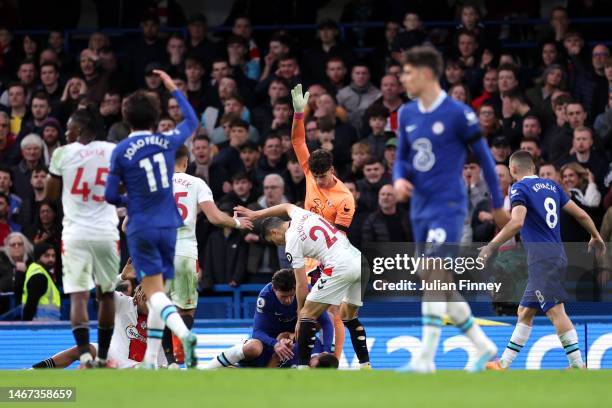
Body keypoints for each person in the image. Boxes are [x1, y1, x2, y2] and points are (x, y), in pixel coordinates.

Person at [393, 46, 507, 373]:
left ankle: (426, 359)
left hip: (450, 205)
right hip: (420, 207)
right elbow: (401, 158)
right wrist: (399, 180)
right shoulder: (407, 114)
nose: (403, 79)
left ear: (426, 74)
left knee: (436, 274)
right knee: (434, 279)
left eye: (408, 73)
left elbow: (484, 157)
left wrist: (498, 204)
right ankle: (483, 346)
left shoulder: (458, 113)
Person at [104, 70, 200, 369]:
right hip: (169, 226)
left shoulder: (120, 151)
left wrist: (129, 201)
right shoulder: (167, 141)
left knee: (154, 292)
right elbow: (193, 122)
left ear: (124, 116)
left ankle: (183, 334)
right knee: (159, 292)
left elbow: (109, 195)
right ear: (156, 115)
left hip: (142, 226)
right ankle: (152, 357)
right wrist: (173, 88)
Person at [480, 150, 605, 370]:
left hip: (542, 259)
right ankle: (504, 363)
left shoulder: (519, 188)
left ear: (513, 169)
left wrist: (491, 247)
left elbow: (517, 222)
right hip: (555, 255)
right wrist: (595, 235)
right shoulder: (553, 186)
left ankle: (577, 366)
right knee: (524, 311)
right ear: (534, 168)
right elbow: (582, 214)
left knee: (556, 311)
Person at [235, 203, 371, 369]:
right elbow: (285, 206)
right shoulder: (301, 214)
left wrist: (300, 316)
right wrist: (256, 214)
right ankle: (365, 365)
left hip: (339, 266)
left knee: (307, 314)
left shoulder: (291, 242)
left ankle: (303, 367)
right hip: (360, 261)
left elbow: (300, 285)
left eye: (275, 241)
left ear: (274, 232)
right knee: (348, 316)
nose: (279, 244)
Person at [163, 146, 252, 365]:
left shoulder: (157, 184)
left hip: (158, 252)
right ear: (186, 162)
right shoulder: (196, 183)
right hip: (184, 252)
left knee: (163, 306)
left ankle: (169, 360)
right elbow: (215, 218)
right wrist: (237, 222)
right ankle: (181, 344)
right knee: (187, 307)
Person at [45, 106, 119, 368]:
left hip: (75, 233)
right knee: (107, 293)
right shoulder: (113, 151)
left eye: (67, 128)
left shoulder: (63, 153)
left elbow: (50, 196)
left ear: (78, 130)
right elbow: (121, 186)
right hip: (106, 232)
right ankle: (102, 355)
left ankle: (85, 356)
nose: (65, 133)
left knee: (78, 296)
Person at [291, 84, 356, 358]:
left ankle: (336, 360)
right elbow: (298, 142)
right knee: (306, 308)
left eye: (322, 176)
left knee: (333, 310)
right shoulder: (309, 173)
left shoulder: (345, 198)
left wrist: (324, 262)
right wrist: (298, 115)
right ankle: (304, 357)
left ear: (332, 170)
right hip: (306, 253)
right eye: (314, 177)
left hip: (331, 256)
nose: (317, 181)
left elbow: (339, 238)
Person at [205, 269, 333, 368]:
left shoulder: (306, 293)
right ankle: (208, 368)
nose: (288, 300)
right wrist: (275, 343)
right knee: (252, 348)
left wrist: (327, 351)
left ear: (296, 288)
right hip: (269, 341)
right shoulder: (266, 296)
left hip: (295, 338)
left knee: (322, 317)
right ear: (274, 289)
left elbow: (326, 322)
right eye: (283, 296)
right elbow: (257, 332)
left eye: (291, 296)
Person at [31, 283, 166, 369]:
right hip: (114, 356)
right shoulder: (124, 303)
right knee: (82, 349)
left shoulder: (165, 316)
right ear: (137, 297)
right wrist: (121, 277)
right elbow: (102, 290)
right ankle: (35, 370)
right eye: (146, 299)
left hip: (144, 366)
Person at [21, 242, 59, 321]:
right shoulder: (39, 276)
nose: (51, 259)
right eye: (46, 256)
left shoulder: (39, 272)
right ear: (38, 257)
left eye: (53, 256)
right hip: (39, 328)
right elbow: (31, 304)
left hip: (43, 327)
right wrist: (26, 326)